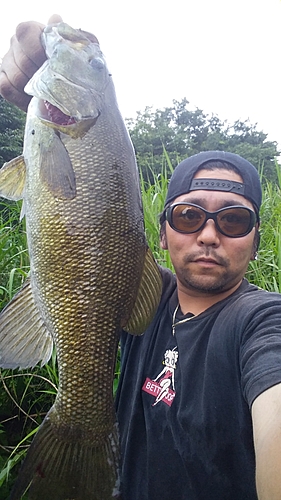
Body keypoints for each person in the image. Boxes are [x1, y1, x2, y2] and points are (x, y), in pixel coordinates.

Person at [1, 18, 281, 500]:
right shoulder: (145, 300)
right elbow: (39, 51)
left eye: (233, 220)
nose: (210, 234)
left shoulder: (261, 323)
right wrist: (34, 53)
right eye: (190, 215)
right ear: (163, 230)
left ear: (256, 240)